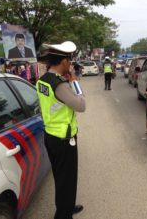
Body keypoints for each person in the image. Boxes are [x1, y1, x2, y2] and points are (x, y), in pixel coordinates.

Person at [36, 41, 86, 219]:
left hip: (51, 136)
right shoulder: (61, 84)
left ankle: (66, 206)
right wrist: (74, 82)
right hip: (64, 140)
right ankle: (63, 214)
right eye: (69, 60)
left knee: (61, 177)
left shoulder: (42, 81)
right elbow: (81, 105)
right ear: (63, 62)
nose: (71, 64)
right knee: (68, 179)